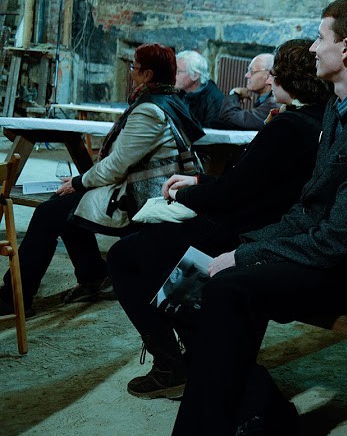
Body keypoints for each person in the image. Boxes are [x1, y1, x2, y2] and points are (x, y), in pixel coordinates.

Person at [163, 0, 347, 436]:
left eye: (320, 37)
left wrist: (245, 257)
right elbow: (310, 209)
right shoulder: (341, 107)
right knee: (203, 273)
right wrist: (246, 248)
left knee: (229, 286)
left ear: (345, 49)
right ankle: (252, 416)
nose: (311, 48)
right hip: (329, 252)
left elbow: (339, 242)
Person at [107, 38, 331, 401]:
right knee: (154, 250)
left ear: (288, 78)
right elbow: (251, 182)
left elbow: (234, 193)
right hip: (265, 223)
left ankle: (174, 363)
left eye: (274, 73)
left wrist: (183, 194)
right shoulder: (319, 119)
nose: (270, 79)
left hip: (242, 231)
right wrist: (199, 181)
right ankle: (191, 352)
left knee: (126, 256)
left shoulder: (289, 126)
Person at [0, 43, 204, 316]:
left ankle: (15, 297)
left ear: (148, 75)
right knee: (65, 206)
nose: (131, 72)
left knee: (49, 212)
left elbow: (116, 166)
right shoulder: (169, 100)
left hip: (142, 198)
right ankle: (93, 276)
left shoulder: (150, 110)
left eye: (135, 68)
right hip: (148, 188)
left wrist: (79, 181)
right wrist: (80, 183)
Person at [209, 53, 278, 130]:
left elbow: (228, 117)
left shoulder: (273, 105)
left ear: (269, 75)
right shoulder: (266, 100)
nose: (247, 75)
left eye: (252, 71)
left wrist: (235, 93)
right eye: (248, 70)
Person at [175, 50, 223, 126]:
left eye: (178, 71)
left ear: (195, 75)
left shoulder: (214, 100)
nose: (173, 75)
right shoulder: (177, 92)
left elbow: (211, 131)